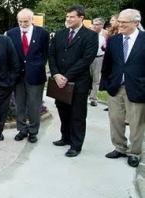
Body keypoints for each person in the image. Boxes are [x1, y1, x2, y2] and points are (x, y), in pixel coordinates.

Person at [48, 5, 97, 157]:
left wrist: (67, 76)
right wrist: (56, 74)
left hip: (78, 83)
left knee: (78, 115)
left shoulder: (90, 36)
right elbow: (52, 55)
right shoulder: (60, 34)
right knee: (63, 111)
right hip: (59, 81)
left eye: (72, 17)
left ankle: (76, 145)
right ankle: (65, 137)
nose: (68, 19)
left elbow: (86, 59)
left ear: (81, 18)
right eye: (67, 16)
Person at [100, 9, 145, 168]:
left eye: (124, 22)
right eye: (119, 21)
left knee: (136, 123)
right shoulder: (114, 40)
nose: (120, 25)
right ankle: (119, 147)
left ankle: (134, 152)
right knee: (115, 120)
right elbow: (107, 64)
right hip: (116, 87)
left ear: (136, 23)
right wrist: (106, 83)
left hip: (138, 88)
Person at [7, 8, 49, 143]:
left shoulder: (42, 33)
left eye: (26, 21)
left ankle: (33, 131)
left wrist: (36, 66)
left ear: (32, 20)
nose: (23, 24)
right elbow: (10, 54)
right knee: (19, 104)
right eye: (20, 21)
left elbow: (45, 54)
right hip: (18, 75)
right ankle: (22, 129)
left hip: (35, 75)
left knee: (34, 105)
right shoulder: (11, 33)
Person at [89, 18, 107, 107]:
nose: (94, 26)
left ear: (102, 26)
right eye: (94, 24)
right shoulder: (87, 34)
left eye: (97, 24)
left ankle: (93, 98)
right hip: (87, 58)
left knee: (96, 79)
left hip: (98, 58)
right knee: (84, 77)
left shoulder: (104, 37)